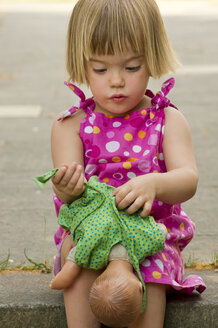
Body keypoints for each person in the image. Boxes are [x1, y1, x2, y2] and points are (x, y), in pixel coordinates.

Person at [49, 0, 206, 327]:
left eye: (131, 67)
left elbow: (188, 179)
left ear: (152, 58)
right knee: (78, 260)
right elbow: (70, 202)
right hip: (88, 231)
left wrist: (155, 184)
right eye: (101, 69)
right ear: (82, 63)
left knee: (150, 269)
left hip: (151, 234)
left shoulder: (167, 120)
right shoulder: (70, 125)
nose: (116, 81)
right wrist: (67, 188)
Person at [34, 173, 167, 326]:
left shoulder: (106, 246)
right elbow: (160, 232)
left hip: (100, 202)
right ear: (140, 287)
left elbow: (158, 233)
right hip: (102, 203)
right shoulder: (99, 246)